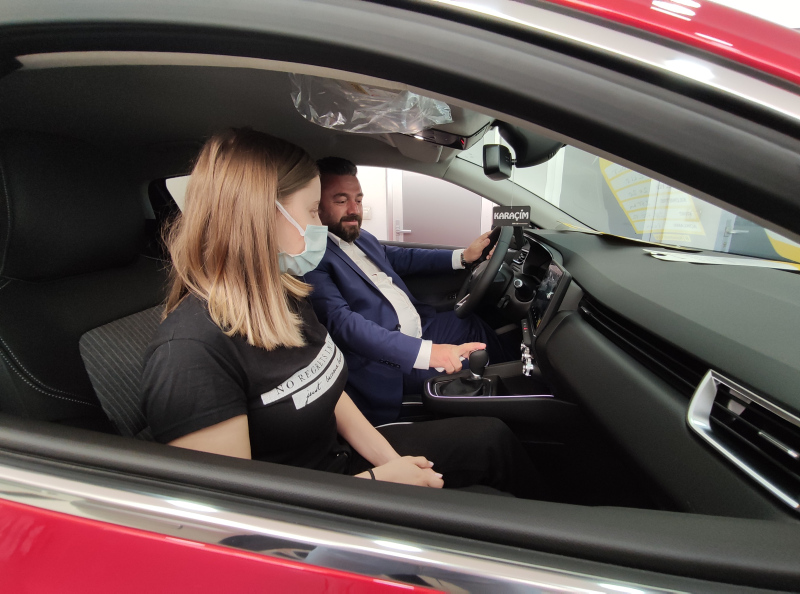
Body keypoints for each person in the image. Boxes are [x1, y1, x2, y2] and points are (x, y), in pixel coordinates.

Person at [140, 128, 541, 497]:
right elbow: (237, 514)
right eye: (313, 210)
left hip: (345, 458)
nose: (320, 225)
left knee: (492, 438)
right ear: (260, 216)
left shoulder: (285, 297)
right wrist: (379, 482)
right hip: (318, 507)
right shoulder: (189, 355)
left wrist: (393, 461)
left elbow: (329, 392)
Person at [305, 157, 509, 426]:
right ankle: (507, 406)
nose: (354, 210)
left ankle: (514, 375)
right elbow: (342, 324)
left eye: (359, 199)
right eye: (341, 201)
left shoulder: (360, 237)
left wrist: (464, 256)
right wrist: (427, 353)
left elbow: (402, 257)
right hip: (389, 359)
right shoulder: (313, 257)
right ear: (316, 205)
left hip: (421, 326)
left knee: (469, 323)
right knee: (472, 366)